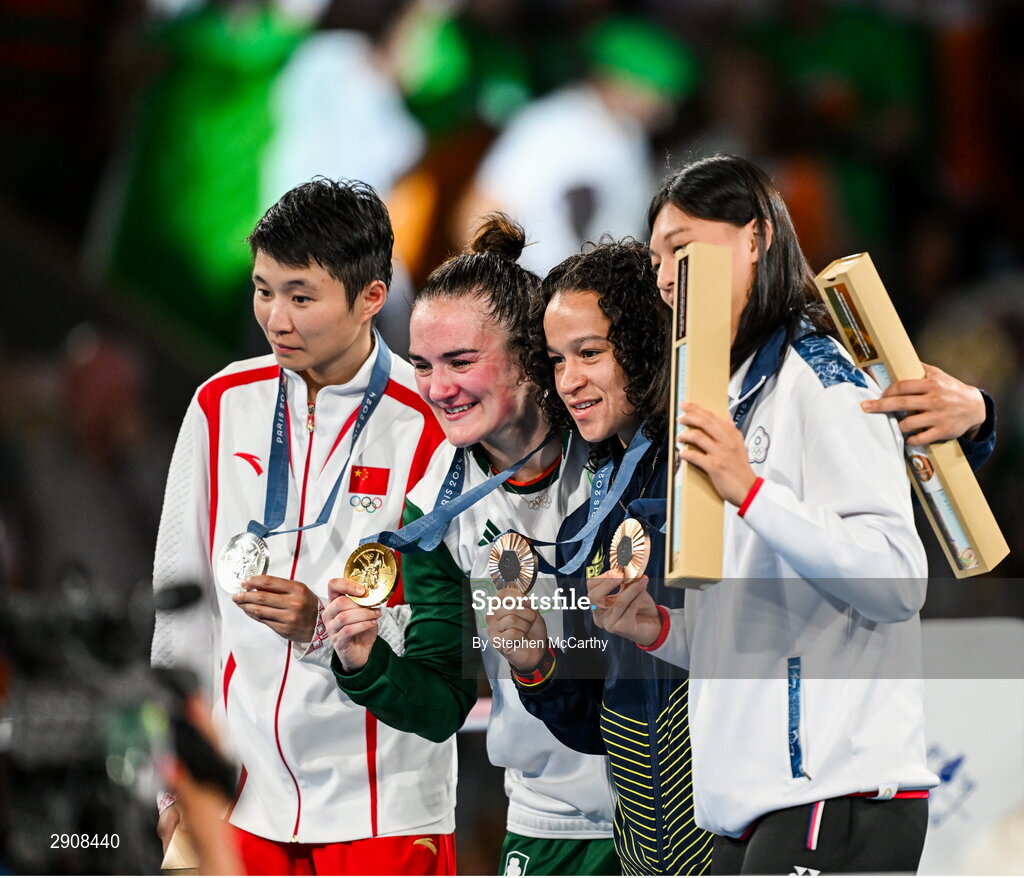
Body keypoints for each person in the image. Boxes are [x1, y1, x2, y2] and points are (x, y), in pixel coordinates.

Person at [488, 157, 997, 876]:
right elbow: (760, 624)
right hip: (751, 807)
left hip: (833, 792)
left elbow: (896, 580)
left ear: (754, 239)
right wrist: (658, 629)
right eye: (658, 255)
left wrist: (749, 489)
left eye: (683, 247)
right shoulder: (728, 397)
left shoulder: (820, 380)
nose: (667, 274)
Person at [150, 178, 455, 875]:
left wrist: (326, 628)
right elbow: (181, 603)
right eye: (263, 290)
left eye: (300, 296)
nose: (275, 319)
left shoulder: (433, 425)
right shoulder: (221, 405)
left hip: (382, 806)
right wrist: (170, 773)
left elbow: (449, 638)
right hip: (235, 797)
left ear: (371, 298)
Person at [324, 215, 620, 876]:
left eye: (461, 362)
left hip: (676, 810)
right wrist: (367, 661)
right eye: (423, 365)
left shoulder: (623, 447)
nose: (437, 388)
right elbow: (442, 699)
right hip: (549, 829)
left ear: (530, 356)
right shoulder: (433, 500)